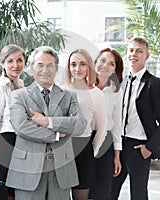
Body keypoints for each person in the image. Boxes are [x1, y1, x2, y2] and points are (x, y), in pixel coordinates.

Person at [5, 46, 87, 200]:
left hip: (61, 168)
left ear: (56, 68)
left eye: (50, 65)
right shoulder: (18, 96)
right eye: (40, 65)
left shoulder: (69, 96)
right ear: (31, 68)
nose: (45, 70)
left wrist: (48, 121)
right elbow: (22, 127)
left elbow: (80, 124)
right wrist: (57, 134)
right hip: (28, 168)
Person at [110, 37, 160, 199]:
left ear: (147, 56)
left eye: (139, 51)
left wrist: (149, 148)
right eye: (131, 50)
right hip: (119, 145)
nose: (134, 54)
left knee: (138, 194)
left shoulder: (155, 84)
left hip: (139, 148)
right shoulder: (121, 83)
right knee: (110, 191)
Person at [0, 44, 26, 200]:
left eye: (19, 60)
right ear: (2, 64)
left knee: (15, 194)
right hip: (5, 147)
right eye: (10, 61)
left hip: (20, 146)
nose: (15, 65)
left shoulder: (22, 87)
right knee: (2, 194)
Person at [65, 49, 107, 200]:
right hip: (62, 148)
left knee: (81, 196)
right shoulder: (61, 90)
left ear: (89, 66)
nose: (78, 69)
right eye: (74, 64)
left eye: (82, 64)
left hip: (84, 149)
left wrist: (91, 151)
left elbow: (101, 129)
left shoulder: (97, 94)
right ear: (68, 67)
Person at [89, 48, 123, 200]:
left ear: (116, 69)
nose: (105, 65)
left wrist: (117, 155)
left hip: (106, 143)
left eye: (111, 64)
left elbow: (117, 124)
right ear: (95, 62)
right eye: (102, 60)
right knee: (83, 187)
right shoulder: (83, 87)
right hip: (85, 140)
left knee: (103, 189)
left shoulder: (116, 92)